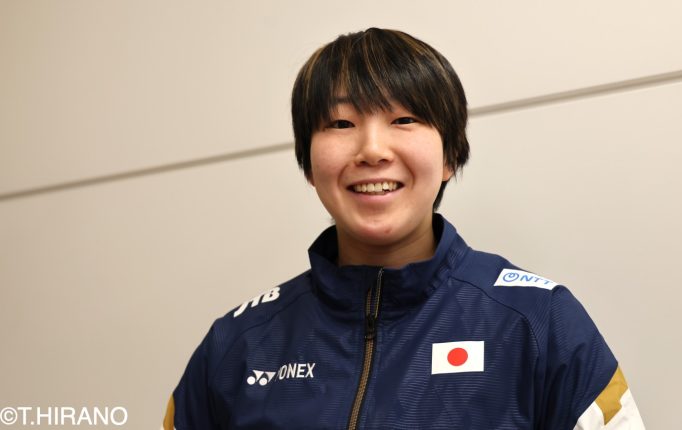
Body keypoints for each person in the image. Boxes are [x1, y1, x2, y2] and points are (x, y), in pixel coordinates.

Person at [163, 28, 645, 429]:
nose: (373, 150)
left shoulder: (539, 322)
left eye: (404, 118)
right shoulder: (237, 344)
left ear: (450, 156)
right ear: (308, 163)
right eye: (340, 123)